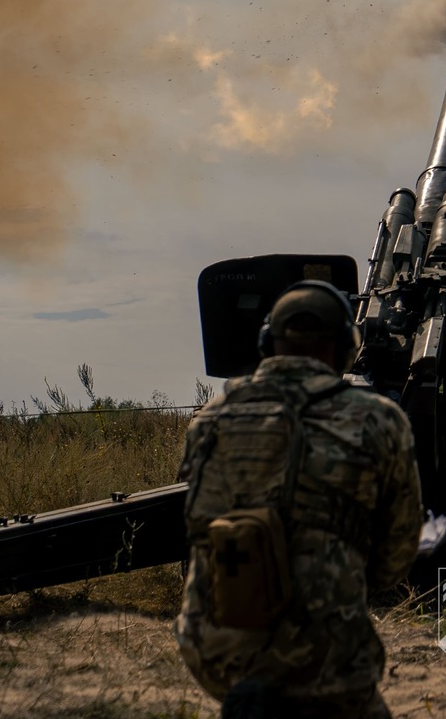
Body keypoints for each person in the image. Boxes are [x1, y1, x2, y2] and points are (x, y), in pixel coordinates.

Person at [175, 281, 423, 719]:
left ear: (267, 343)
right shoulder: (379, 420)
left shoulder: (209, 420)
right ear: (347, 347)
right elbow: (393, 561)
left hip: (211, 652)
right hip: (325, 661)